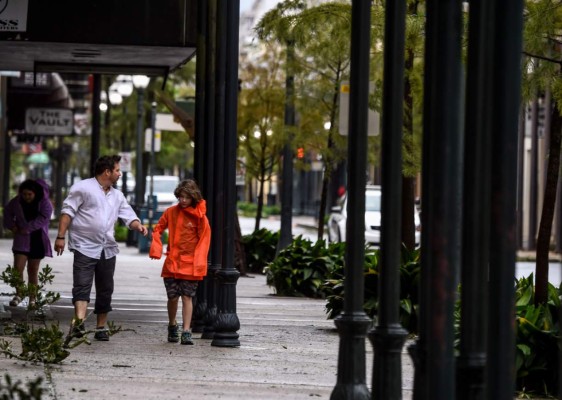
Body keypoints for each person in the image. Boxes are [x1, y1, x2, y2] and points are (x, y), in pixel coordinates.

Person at [54, 155, 148, 341]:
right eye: (117, 170)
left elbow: (128, 215)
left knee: (105, 289)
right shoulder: (83, 188)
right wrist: (60, 236)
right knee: (82, 285)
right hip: (84, 246)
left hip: (107, 248)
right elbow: (67, 211)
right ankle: (79, 323)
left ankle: (100, 327)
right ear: (107, 172)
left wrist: (138, 226)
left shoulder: (117, 195)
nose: (120, 174)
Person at [149, 179, 211, 345]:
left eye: (186, 197)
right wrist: (156, 247)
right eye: (181, 197)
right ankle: (172, 324)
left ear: (193, 198)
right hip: (172, 263)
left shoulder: (200, 217)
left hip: (190, 265)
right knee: (172, 297)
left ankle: (186, 330)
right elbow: (158, 228)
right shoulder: (171, 212)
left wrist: (199, 263)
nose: (183, 200)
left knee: (187, 297)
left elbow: (204, 240)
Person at [2, 179, 53, 308]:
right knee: (17, 268)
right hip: (21, 239)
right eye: (24, 194)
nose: (26, 197)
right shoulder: (17, 201)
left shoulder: (45, 203)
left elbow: (44, 218)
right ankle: (19, 294)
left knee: (32, 270)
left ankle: (32, 298)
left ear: (35, 193)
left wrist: (28, 228)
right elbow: (7, 212)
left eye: (29, 194)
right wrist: (12, 226)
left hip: (37, 239)